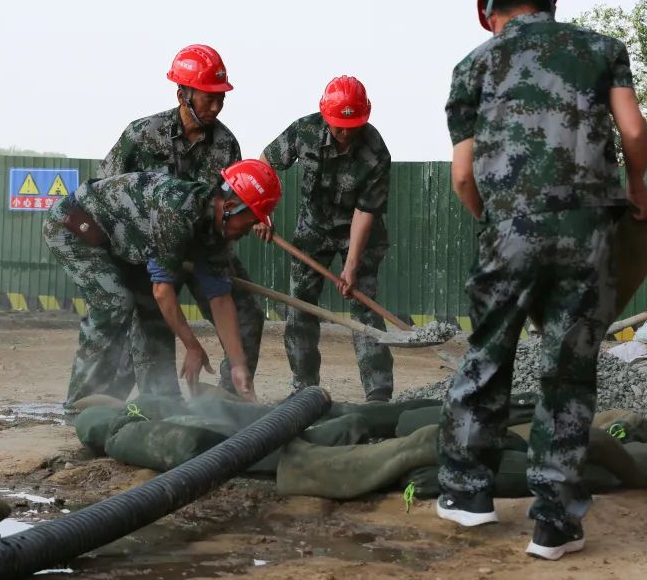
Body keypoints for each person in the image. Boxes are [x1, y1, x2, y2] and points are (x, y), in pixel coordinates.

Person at [435, 0, 647, 561]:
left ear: (489, 9)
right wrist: (637, 187)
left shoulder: (473, 66)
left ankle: (468, 494)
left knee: (488, 353)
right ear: (549, 0)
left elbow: (463, 176)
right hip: (590, 230)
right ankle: (554, 524)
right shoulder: (602, 49)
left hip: (510, 228)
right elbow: (634, 134)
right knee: (567, 370)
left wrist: (499, 223)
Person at [97, 44, 265, 396]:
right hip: (151, 253)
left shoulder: (226, 145)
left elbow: (231, 206)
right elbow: (105, 193)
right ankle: (155, 403)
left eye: (221, 98)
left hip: (205, 250)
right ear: (182, 94)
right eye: (208, 98)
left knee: (246, 312)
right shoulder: (142, 134)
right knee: (150, 322)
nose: (216, 106)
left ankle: (231, 397)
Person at [42, 159, 281, 404]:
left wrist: (238, 365)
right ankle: (82, 405)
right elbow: (162, 291)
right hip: (73, 226)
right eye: (250, 222)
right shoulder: (178, 211)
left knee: (147, 310)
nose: (249, 230)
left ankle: (151, 399)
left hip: (117, 240)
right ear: (230, 206)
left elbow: (220, 298)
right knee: (114, 303)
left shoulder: (215, 231)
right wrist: (192, 346)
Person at [257, 76, 394, 402]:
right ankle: (304, 389)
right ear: (325, 115)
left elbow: (365, 211)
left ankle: (378, 393)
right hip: (313, 229)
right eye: (339, 127)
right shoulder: (304, 131)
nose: (345, 134)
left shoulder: (376, 151)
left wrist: (351, 266)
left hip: (359, 232)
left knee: (364, 308)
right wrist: (261, 210)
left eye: (352, 127)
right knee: (300, 307)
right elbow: (265, 163)